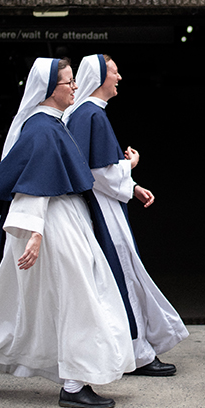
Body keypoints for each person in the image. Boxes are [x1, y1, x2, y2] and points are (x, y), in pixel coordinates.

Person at [0, 57, 136, 408]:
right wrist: (34, 233)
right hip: (53, 225)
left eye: (72, 82)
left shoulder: (53, 123)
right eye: (68, 83)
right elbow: (32, 185)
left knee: (48, 303)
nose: (74, 88)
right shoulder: (41, 128)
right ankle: (73, 384)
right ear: (49, 90)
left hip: (64, 220)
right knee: (79, 298)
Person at [63, 53, 189, 376]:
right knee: (121, 275)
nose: (119, 78)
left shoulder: (84, 114)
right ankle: (136, 352)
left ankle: (135, 349)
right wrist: (129, 168)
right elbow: (98, 171)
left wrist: (131, 185)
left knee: (119, 276)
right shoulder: (92, 115)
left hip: (101, 205)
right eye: (115, 73)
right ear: (100, 78)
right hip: (103, 210)